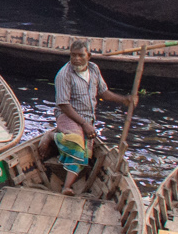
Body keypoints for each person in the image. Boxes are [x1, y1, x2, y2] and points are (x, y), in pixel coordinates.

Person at [54, 40, 132, 193]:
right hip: (67, 116)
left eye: (81, 55)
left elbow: (103, 92)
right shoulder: (64, 75)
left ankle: (54, 135)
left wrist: (124, 99)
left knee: (87, 154)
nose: (76, 59)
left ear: (88, 56)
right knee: (77, 146)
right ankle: (66, 187)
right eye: (73, 55)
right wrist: (84, 124)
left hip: (87, 119)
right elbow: (63, 104)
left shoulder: (94, 69)